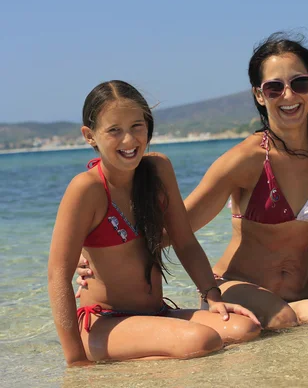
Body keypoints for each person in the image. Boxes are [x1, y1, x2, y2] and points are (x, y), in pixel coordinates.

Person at [76, 33, 308, 329]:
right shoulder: (246, 160)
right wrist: (89, 250)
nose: (288, 95)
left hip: (299, 296)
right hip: (239, 286)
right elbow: (177, 227)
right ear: (260, 95)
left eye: (299, 83)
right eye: (274, 88)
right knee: (303, 320)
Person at [48, 80, 260, 366]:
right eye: (114, 130)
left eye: (137, 126)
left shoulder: (158, 170)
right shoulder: (86, 189)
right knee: (202, 340)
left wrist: (212, 295)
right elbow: (57, 276)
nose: (129, 140)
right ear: (90, 136)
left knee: (245, 329)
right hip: (106, 322)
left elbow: (185, 241)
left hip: (156, 313)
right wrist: (75, 361)